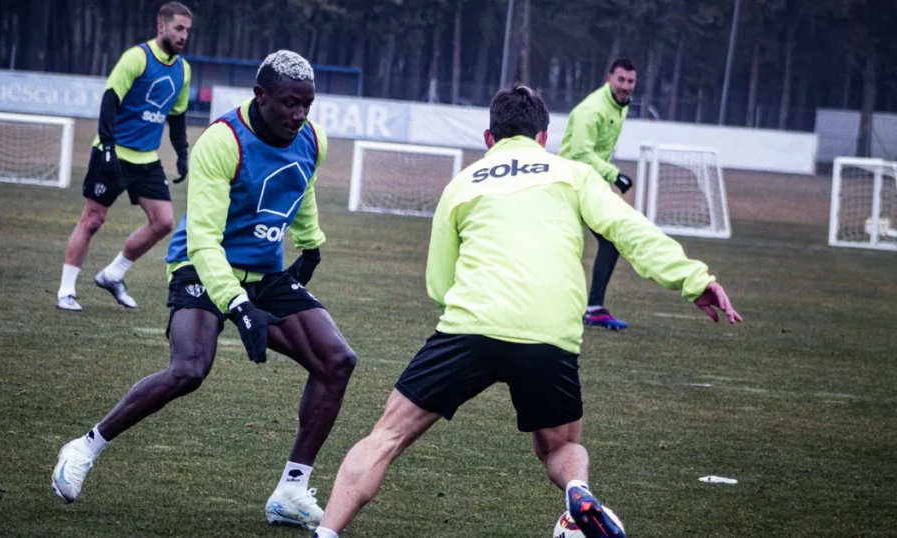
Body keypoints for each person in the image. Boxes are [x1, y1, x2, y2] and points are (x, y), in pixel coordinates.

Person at [310, 84, 742, 538]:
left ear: (488, 138)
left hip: (470, 327)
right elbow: (630, 230)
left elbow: (439, 283)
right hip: (548, 335)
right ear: (543, 137)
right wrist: (695, 280)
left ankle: (328, 532)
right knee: (561, 446)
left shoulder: (462, 184)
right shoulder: (571, 174)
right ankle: (578, 493)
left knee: (387, 436)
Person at [50, 49, 357, 532]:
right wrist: (238, 304)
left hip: (264, 272)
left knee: (337, 360)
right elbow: (204, 240)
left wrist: (312, 243)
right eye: (289, 104)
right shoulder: (223, 140)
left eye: (307, 105)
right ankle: (84, 447)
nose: (299, 115)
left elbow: (302, 186)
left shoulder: (312, 138)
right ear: (261, 96)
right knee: (190, 369)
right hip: (200, 264)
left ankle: (291, 492)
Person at [55, 2, 193, 311]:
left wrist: (183, 154)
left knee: (163, 222)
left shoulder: (183, 70)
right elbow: (110, 99)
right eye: (178, 28)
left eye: (187, 30)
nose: (183, 35)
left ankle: (113, 274)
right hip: (113, 152)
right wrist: (106, 145)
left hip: (146, 159)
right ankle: (66, 292)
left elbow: (178, 116)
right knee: (92, 220)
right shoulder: (137, 58)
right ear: (162, 27)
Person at [559, 58, 638, 330]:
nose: (625, 86)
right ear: (609, 79)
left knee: (610, 240)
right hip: (567, 186)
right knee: (560, 249)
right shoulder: (592, 109)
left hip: (588, 185)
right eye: (621, 80)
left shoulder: (620, 105)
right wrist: (615, 175)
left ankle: (594, 308)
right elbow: (580, 152)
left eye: (630, 81)